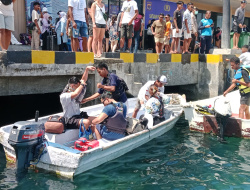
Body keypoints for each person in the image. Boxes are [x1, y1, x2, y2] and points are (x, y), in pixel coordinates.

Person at [60, 66, 96, 131]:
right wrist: (82, 85)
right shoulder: (64, 96)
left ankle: (92, 135)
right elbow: (76, 93)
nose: (79, 88)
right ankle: (83, 138)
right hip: (69, 120)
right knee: (86, 122)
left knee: (96, 120)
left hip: (78, 116)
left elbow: (83, 80)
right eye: (77, 86)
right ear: (72, 86)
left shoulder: (76, 92)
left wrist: (87, 69)